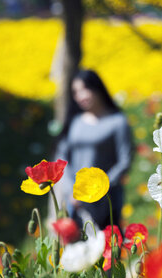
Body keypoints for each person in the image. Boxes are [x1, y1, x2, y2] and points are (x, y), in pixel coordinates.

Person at [54, 69, 133, 232]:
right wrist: (72, 191)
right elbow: (62, 158)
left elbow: (124, 161)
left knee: (106, 250)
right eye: (75, 92)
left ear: (97, 88)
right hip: (74, 201)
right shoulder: (74, 122)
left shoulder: (117, 122)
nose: (80, 96)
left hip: (105, 201)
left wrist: (96, 190)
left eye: (84, 90)